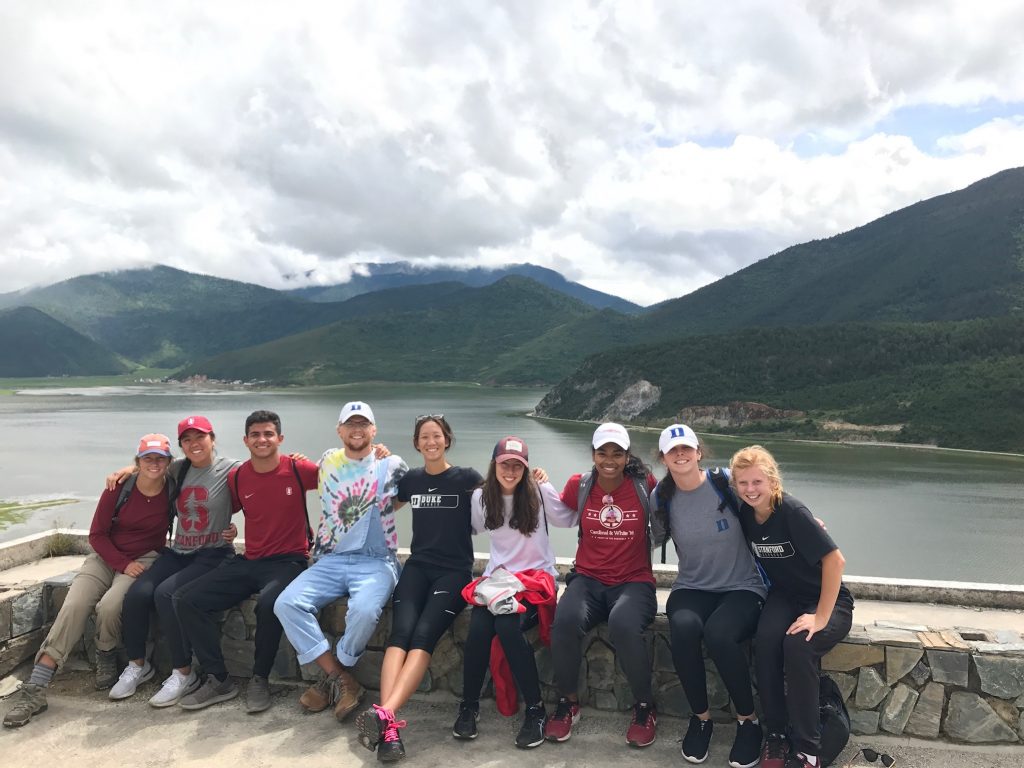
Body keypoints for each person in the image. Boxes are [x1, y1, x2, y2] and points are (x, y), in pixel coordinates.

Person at [2, 434, 175, 728]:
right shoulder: (118, 488)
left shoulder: (173, 488)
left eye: (160, 458)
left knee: (110, 606)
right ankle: (37, 686)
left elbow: (202, 464)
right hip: (106, 557)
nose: (154, 464)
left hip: (145, 557)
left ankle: (105, 653)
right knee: (75, 605)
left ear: (169, 462)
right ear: (138, 461)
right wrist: (122, 563)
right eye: (148, 458)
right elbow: (96, 535)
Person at [356, 415, 482, 763]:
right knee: (400, 634)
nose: (431, 442)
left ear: (447, 440)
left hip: (454, 572)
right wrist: (375, 461)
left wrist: (536, 479)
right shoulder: (411, 479)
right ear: (416, 443)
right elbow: (381, 504)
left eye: (437, 435)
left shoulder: (467, 478)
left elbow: (504, 495)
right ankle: (390, 728)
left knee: (424, 634)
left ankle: (383, 714)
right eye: (424, 437)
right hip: (418, 567)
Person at [172, 410, 316, 712]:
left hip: (289, 561)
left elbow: (342, 474)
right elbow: (232, 507)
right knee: (186, 599)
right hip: (250, 559)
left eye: (268, 434)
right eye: (255, 434)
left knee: (269, 604)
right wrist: (231, 529)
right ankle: (219, 678)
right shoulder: (238, 476)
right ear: (245, 440)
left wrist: (378, 455)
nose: (262, 439)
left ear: (280, 438)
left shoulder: (298, 469)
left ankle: (259, 679)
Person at [273, 401, 407, 723]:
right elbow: (286, 472)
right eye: (351, 424)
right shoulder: (326, 461)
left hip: (376, 560)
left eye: (364, 424)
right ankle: (342, 679)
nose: (357, 430)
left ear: (374, 430)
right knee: (286, 603)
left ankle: (335, 674)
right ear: (339, 430)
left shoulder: (392, 464)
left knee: (363, 611)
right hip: (331, 559)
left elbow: (406, 496)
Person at [729, 446, 853, 768]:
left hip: (827, 600)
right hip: (785, 596)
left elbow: (835, 561)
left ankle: (808, 749)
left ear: (772, 480)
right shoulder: (746, 513)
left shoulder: (792, 512)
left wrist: (821, 617)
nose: (750, 489)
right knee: (766, 642)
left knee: (798, 647)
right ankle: (776, 736)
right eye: (743, 483)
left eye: (757, 482)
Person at [650, 424, 766, 768]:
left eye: (687, 448)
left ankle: (749, 722)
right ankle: (701, 719)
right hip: (692, 587)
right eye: (673, 451)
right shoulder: (661, 497)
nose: (681, 454)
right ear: (663, 458)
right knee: (683, 627)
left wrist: (806, 522)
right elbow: (648, 538)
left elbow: (766, 497)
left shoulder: (726, 482)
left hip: (743, 586)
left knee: (719, 634)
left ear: (699, 452)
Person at [109, 415, 240, 706]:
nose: (194, 444)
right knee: (137, 594)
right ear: (181, 445)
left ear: (212, 439)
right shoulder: (178, 469)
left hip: (213, 552)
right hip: (179, 551)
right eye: (187, 439)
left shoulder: (230, 469)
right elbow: (151, 468)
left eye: (200, 437)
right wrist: (127, 469)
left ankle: (184, 672)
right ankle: (138, 666)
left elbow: (263, 474)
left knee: (166, 594)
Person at [452, 436, 573, 750]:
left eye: (517, 465)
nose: (510, 470)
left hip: (535, 581)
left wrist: (556, 485)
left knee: (507, 625)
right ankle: (469, 705)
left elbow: (569, 517)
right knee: (479, 627)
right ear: (494, 464)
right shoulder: (481, 496)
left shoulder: (539, 492)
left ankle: (535, 710)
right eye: (505, 463)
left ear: (526, 467)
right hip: (499, 581)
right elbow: (473, 527)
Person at [543, 423, 659, 748]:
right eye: (602, 452)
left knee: (624, 624)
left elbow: (681, 502)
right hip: (588, 580)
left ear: (626, 456)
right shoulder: (579, 486)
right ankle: (568, 702)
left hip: (634, 582)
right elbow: (549, 508)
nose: (609, 459)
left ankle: (645, 707)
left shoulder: (644, 484)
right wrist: (533, 481)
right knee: (564, 621)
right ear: (593, 454)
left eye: (617, 453)